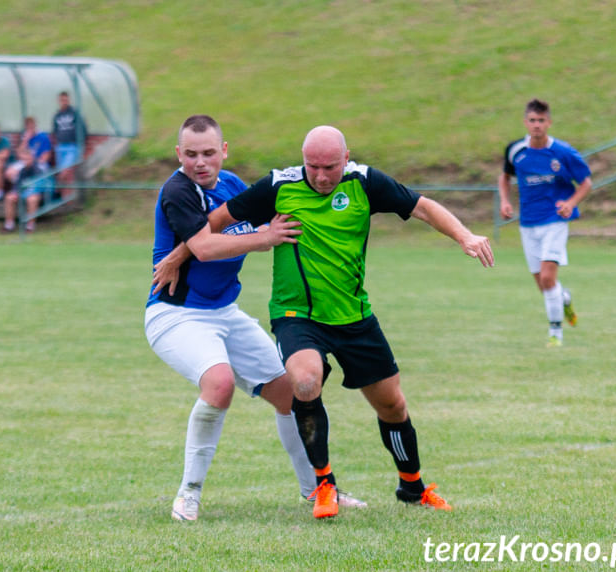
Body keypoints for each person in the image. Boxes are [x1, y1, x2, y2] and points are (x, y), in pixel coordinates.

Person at [155, 125, 494, 520]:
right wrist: (181, 254)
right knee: (303, 381)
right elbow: (217, 220)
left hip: (353, 315)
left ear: (346, 158)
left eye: (329, 167)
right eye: (312, 166)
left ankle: (413, 486)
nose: (319, 175)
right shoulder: (278, 186)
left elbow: (421, 206)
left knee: (392, 404)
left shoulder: (365, 183)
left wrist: (464, 236)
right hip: (296, 314)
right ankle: (323, 484)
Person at [146, 115, 368, 523]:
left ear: (223, 151)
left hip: (223, 312)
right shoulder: (178, 191)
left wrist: (179, 253)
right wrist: (265, 238)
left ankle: (318, 490)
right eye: (191, 154)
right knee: (220, 383)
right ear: (178, 154)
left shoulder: (230, 184)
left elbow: (268, 213)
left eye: (209, 153)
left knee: (291, 392)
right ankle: (188, 493)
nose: (200, 162)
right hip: (176, 315)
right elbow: (208, 245)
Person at [498, 99, 592, 348]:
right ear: (525, 122)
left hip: (555, 221)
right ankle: (565, 298)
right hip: (528, 223)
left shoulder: (563, 152)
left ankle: (555, 334)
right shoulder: (515, 150)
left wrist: (570, 203)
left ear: (548, 123)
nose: (537, 125)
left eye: (541, 120)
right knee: (543, 285)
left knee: (548, 279)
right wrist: (505, 201)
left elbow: (586, 183)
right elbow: (504, 177)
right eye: (532, 120)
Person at [2, 117, 52, 233]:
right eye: (27, 125)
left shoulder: (38, 168)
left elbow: (39, 185)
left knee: (32, 199)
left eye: (31, 125)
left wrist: (28, 192)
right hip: (25, 190)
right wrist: (15, 192)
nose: (29, 127)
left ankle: (30, 227)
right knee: (9, 197)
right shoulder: (23, 169)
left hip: (35, 191)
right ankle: (9, 225)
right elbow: (19, 181)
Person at [51, 91, 87, 198]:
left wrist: (81, 145)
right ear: (58, 101)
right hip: (60, 147)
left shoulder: (74, 113)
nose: (64, 102)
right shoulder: (57, 115)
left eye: (66, 100)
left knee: (65, 169)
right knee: (60, 169)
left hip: (73, 147)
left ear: (69, 100)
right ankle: (59, 192)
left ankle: (55, 190)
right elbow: (55, 131)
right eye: (62, 100)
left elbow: (83, 129)